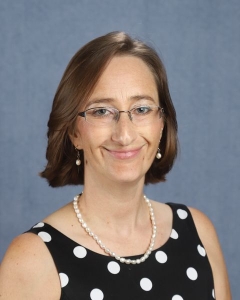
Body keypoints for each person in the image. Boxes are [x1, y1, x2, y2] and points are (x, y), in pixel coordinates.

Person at [0, 31, 231, 300]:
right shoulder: (32, 259)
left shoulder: (198, 232)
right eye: (101, 111)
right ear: (75, 133)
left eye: (142, 109)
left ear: (162, 124)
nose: (124, 135)